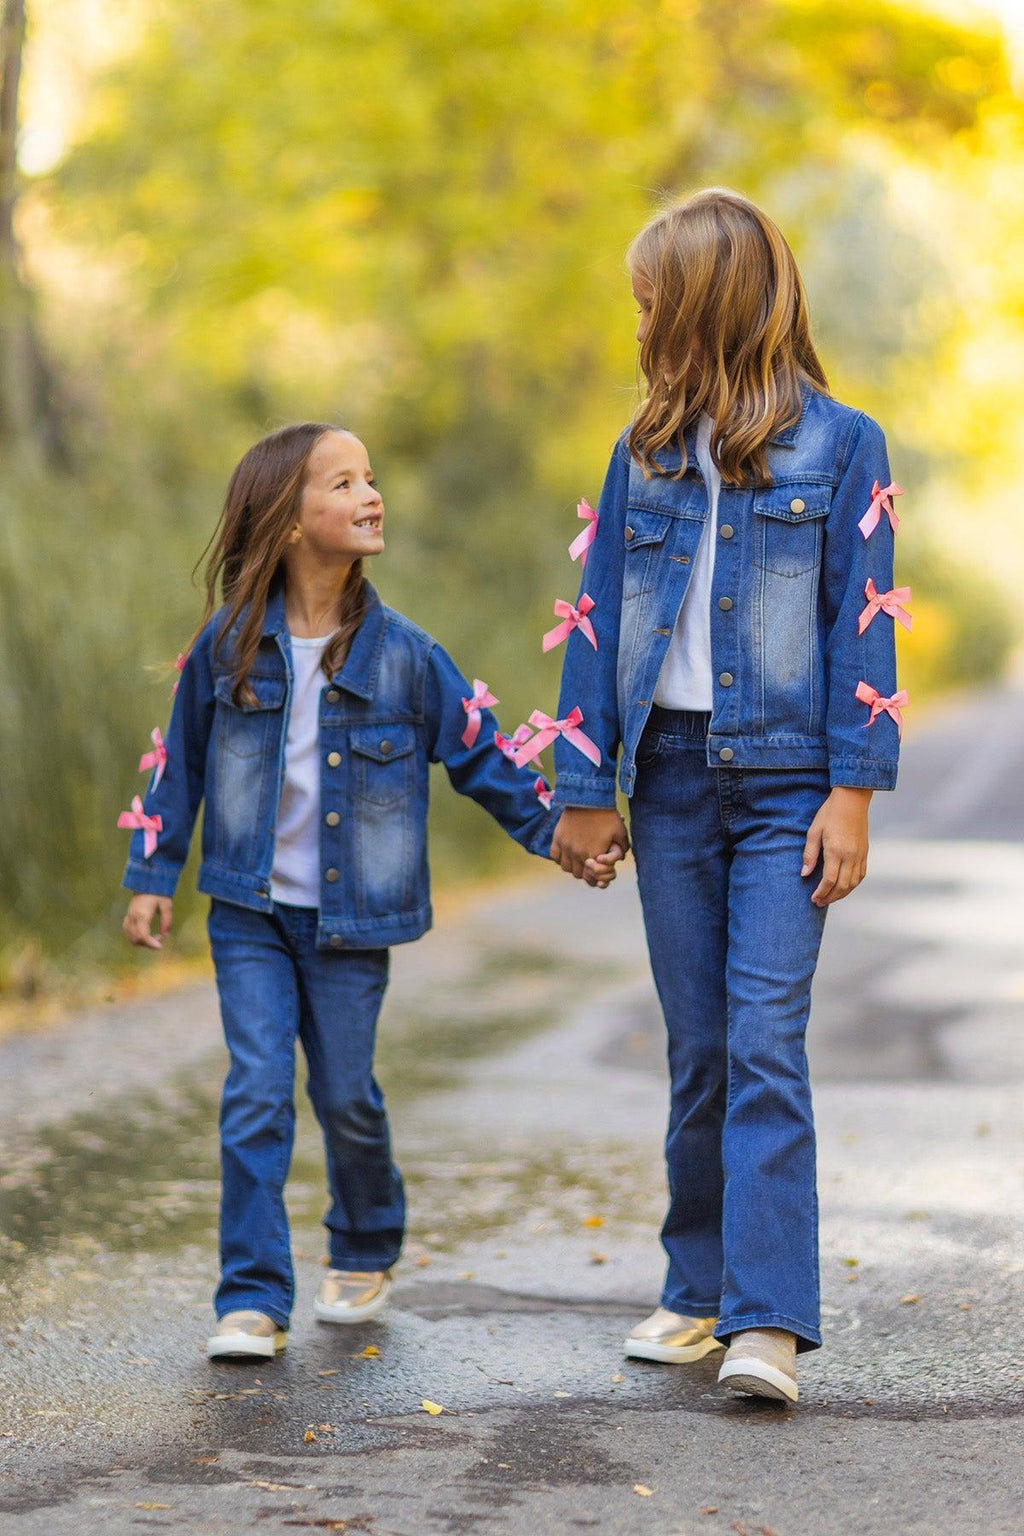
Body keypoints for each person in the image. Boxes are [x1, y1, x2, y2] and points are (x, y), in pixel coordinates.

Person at [119, 423, 600, 1359]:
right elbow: (177, 768)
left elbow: (485, 760)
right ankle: (252, 1297)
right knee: (257, 1091)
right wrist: (152, 877)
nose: (371, 495)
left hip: (350, 924)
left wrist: (559, 837)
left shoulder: (408, 658)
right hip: (249, 913)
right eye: (343, 484)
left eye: (372, 478)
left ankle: (366, 1241)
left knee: (344, 1094)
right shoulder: (224, 650)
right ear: (288, 522)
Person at [549, 188, 906, 1404]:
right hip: (666, 785)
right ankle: (695, 1288)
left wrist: (852, 792)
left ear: (704, 306)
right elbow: (591, 630)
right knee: (698, 1048)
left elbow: (864, 625)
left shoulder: (843, 444)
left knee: (763, 1039)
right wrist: (584, 788)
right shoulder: (639, 450)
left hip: (785, 786)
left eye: (651, 301)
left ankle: (767, 1321)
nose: (639, 321)